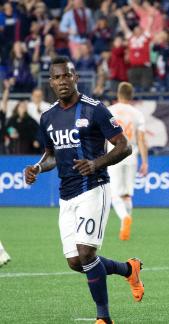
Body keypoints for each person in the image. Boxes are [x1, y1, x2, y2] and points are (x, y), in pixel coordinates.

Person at [23, 57, 144, 324]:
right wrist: (37, 168)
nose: (62, 81)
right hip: (66, 195)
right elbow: (51, 155)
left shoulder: (95, 109)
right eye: (56, 77)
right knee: (76, 261)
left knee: (87, 253)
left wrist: (96, 163)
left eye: (67, 75)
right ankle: (128, 269)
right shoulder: (48, 117)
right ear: (51, 83)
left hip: (94, 188)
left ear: (76, 77)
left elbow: (124, 146)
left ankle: (104, 318)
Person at [107, 82, 148, 241]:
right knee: (127, 194)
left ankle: (124, 218)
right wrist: (145, 161)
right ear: (131, 96)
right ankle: (126, 223)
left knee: (115, 194)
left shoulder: (109, 111)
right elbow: (142, 139)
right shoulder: (137, 114)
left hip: (114, 154)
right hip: (131, 154)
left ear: (118, 94)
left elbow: (103, 137)